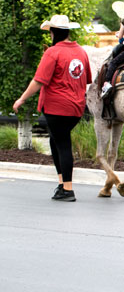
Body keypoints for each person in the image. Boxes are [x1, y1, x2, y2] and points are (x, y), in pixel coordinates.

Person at [13, 15, 91, 201]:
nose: (50, 36)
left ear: (54, 32)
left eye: (50, 33)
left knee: (63, 144)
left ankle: (68, 190)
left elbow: (39, 81)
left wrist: (21, 99)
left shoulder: (53, 52)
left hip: (57, 108)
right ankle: (62, 184)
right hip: (76, 108)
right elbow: (86, 79)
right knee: (55, 141)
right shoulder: (81, 52)